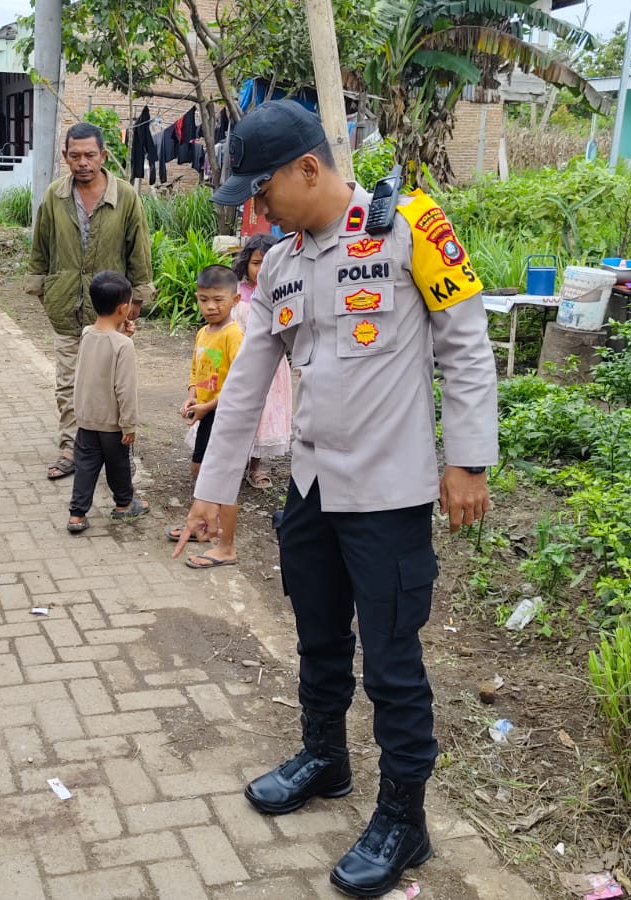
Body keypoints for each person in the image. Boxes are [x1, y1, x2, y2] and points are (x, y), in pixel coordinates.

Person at [175, 100, 497, 897]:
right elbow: (247, 386)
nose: (256, 209)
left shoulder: (410, 228)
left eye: (262, 191)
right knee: (317, 641)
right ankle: (326, 759)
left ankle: (404, 819)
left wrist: (469, 461)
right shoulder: (280, 264)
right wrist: (215, 492)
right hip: (313, 493)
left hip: (388, 495)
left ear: (308, 169)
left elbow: (466, 346)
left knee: (392, 666)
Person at [25, 122, 155, 481]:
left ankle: (116, 452)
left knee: (113, 383)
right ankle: (71, 447)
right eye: (75, 155)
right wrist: (44, 291)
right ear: (65, 156)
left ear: (104, 155)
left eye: (90, 155)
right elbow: (41, 248)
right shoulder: (55, 195)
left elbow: (139, 254)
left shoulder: (126, 196)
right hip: (66, 304)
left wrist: (134, 306)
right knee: (69, 382)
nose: (82, 162)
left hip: (112, 311)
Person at [66, 272, 149, 533]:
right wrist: (129, 425)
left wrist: (122, 333)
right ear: (124, 308)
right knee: (118, 465)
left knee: (85, 467)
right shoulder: (123, 346)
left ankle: (77, 515)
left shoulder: (87, 334)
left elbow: (93, 366)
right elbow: (124, 389)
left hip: (87, 419)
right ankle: (124, 505)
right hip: (112, 423)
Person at [175, 265, 244, 570]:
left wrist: (209, 406)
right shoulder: (203, 332)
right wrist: (192, 396)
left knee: (223, 480)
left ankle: (225, 545)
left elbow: (240, 383)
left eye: (218, 299)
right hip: (206, 412)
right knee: (200, 471)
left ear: (236, 299)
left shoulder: (234, 334)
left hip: (226, 416)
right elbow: (196, 370)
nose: (211, 306)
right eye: (204, 299)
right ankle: (203, 524)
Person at [233, 234, 292, 489]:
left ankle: (256, 466)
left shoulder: (283, 293)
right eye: (257, 262)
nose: (262, 269)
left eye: (268, 262)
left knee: (263, 417)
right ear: (246, 263)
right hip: (238, 361)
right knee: (237, 413)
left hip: (272, 368)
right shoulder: (235, 293)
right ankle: (233, 464)